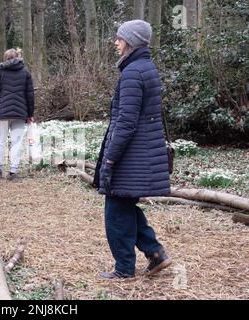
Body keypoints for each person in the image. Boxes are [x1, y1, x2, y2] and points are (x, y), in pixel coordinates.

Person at [96, 20, 172, 279]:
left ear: (131, 41)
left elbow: (126, 122)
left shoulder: (132, 73)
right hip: (140, 155)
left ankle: (124, 268)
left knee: (116, 213)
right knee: (125, 207)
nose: (116, 43)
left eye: (119, 38)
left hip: (131, 156)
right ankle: (155, 253)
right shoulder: (145, 67)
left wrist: (110, 158)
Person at [0, 48, 34, 181]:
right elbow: (30, 95)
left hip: (3, 112)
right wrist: (30, 114)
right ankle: (13, 171)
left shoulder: (0, 71)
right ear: (18, 57)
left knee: (0, 142)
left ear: (5, 58)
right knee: (16, 142)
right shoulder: (25, 72)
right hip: (20, 113)